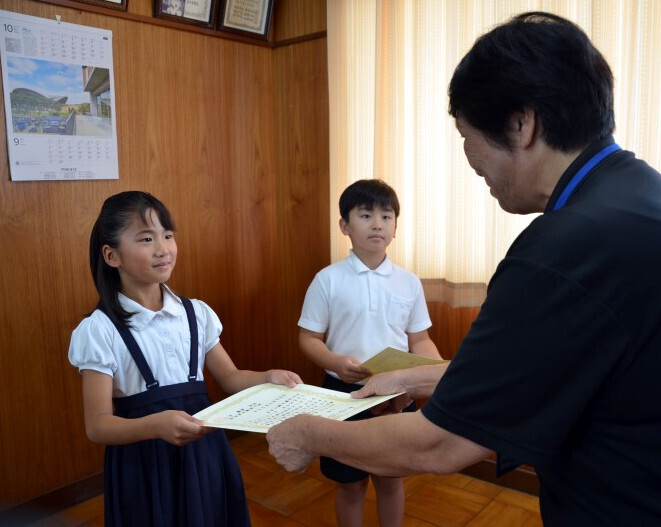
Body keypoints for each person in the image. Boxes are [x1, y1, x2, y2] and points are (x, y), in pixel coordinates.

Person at [266, 12, 661, 527]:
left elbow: (442, 443)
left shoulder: (564, 248)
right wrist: (419, 375)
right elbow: (545, 366)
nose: (470, 158)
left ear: (522, 123)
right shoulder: (637, 196)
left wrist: (310, 433)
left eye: (466, 134)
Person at [68, 191, 302, 526]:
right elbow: (98, 424)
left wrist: (266, 377)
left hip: (204, 454)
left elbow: (231, 377)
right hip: (144, 464)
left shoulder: (196, 314)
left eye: (168, 235)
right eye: (147, 239)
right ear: (111, 255)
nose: (163, 248)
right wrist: (156, 426)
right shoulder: (99, 330)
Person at [297, 178, 442, 527]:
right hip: (343, 395)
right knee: (350, 484)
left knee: (392, 480)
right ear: (345, 225)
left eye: (386, 216)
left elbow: (419, 339)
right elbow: (308, 338)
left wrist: (435, 373)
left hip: (396, 392)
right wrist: (335, 363)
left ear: (395, 227)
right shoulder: (327, 280)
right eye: (365, 215)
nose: (377, 223)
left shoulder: (408, 281)